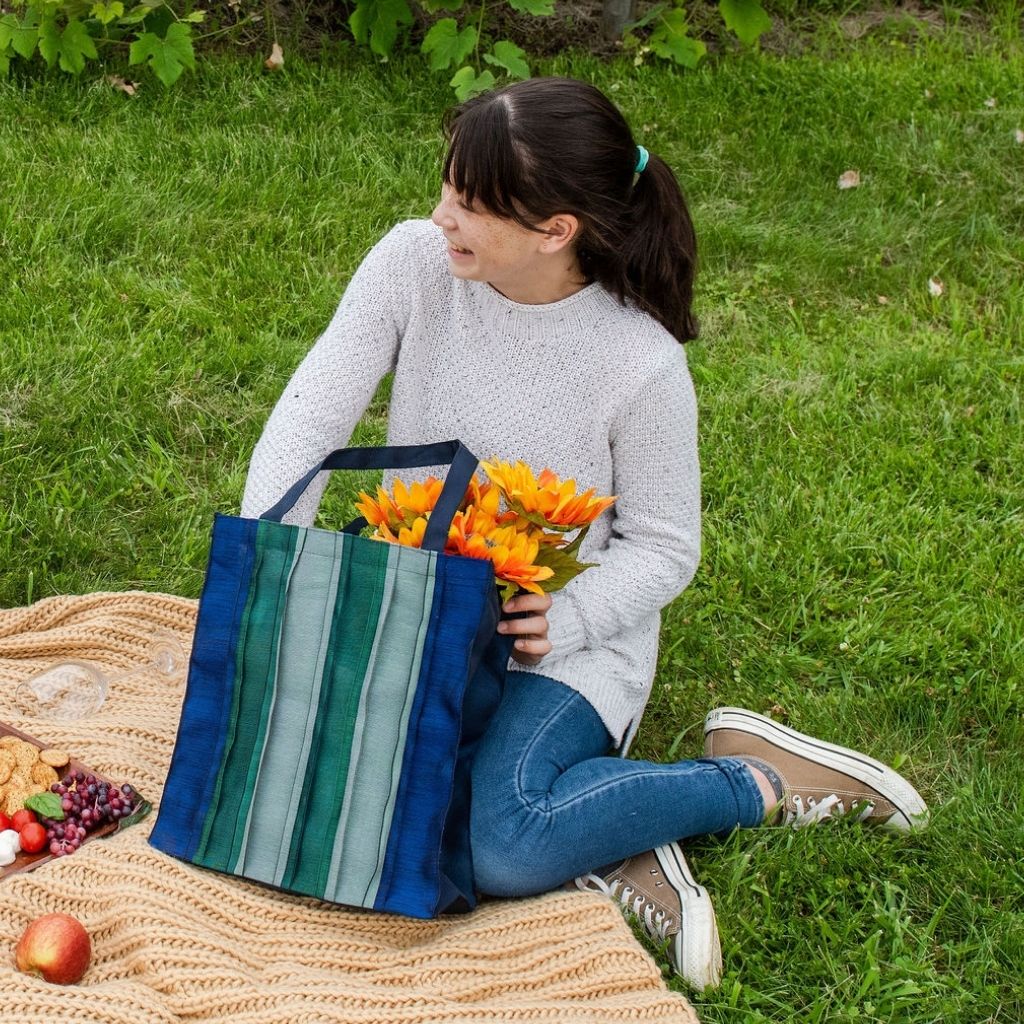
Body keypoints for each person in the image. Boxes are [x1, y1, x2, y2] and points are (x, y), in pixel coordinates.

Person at [240, 76, 928, 990]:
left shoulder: (639, 363)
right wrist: (263, 565)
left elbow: (666, 545)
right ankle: (615, 834)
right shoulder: (412, 264)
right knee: (353, 808)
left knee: (500, 848)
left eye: (472, 205)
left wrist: (566, 617)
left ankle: (748, 778)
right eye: (446, 186)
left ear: (555, 229)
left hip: (560, 650)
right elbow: (310, 417)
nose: (441, 216)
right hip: (415, 617)